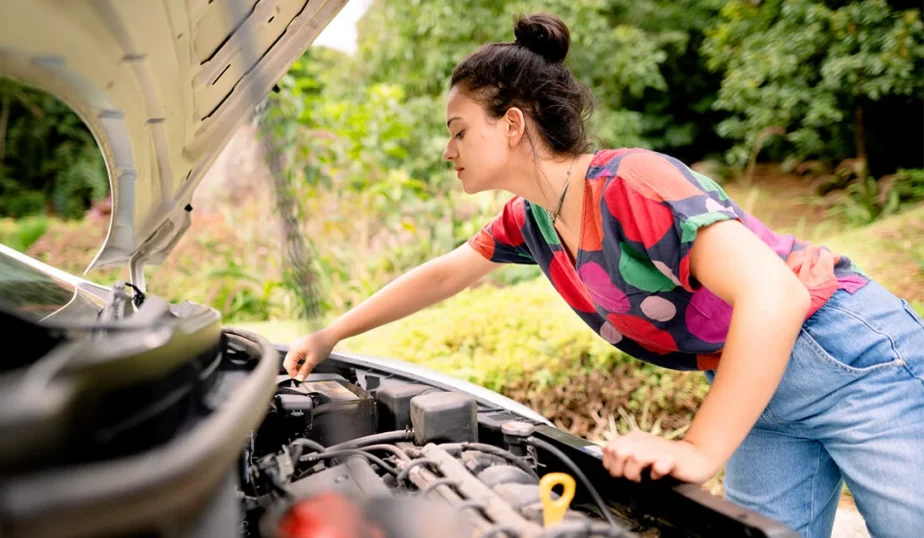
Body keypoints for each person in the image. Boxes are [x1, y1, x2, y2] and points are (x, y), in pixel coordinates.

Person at [283, 12, 924, 537]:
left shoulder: (633, 183)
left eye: (458, 131)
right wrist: (332, 333)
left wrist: (699, 450)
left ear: (512, 125)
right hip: (761, 385)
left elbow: (774, 293)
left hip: (848, 354)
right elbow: (447, 273)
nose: (447, 150)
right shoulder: (532, 220)